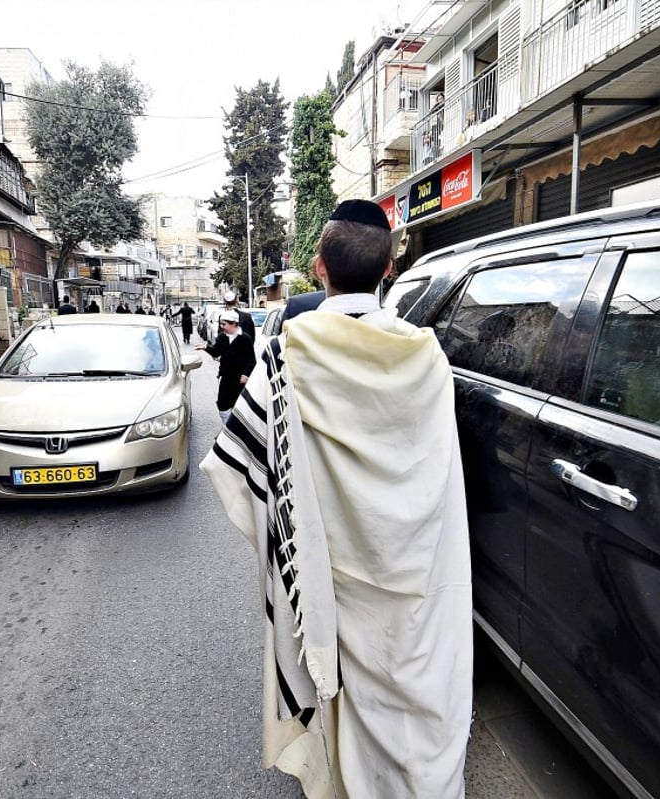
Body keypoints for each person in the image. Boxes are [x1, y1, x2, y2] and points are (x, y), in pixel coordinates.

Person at [200, 200, 472, 798]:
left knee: (342, 696)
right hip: (416, 575)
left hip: (331, 574)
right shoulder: (428, 358)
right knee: (415, 692)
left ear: (319, 268)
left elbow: (238, 468)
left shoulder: (285, 355)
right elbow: (440, 472)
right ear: (388, 273)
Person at [195, 309, 255, 424]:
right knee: (222, 404)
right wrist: (206, 347)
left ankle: (235, 430)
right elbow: (216, 352)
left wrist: (245, 374)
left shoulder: (245, 339)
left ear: (233, 324)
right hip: (226, 377)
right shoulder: (222, 337)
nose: (222, 327)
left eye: (224, 324)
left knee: (238, 405)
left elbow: (251, 360)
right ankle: (227, 428)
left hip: (240, 379)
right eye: (221, 324)